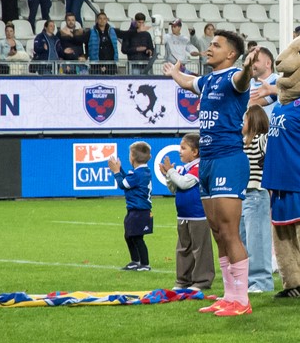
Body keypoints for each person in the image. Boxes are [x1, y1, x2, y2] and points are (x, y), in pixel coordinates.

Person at [164, 29, 255, 316]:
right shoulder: (209, 80)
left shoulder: (233, 77)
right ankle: (229, 295)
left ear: (231, 54)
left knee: (230, 231)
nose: (209, 48)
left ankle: (242, 300)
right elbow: (188, 81)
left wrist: (249, 68)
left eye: (216, 45)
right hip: (208, 161)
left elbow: (242, 80)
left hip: (228, 158)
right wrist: (173, 73)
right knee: (217, 232)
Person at [160, 133, 215, 290]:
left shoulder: (200, 167)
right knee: (183, 249)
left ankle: (202, 281)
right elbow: (173, 189)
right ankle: (183, 280)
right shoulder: (184, 169)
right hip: (183, 216)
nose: (180, 151)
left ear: (195, 152)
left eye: (183, 148)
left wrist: (171, 172)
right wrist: (168, 175)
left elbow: (184, 184)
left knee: (200, 249)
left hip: (199, 216)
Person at [241, 102, 274, 293]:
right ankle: (247, 280)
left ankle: (261, 281)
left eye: (245, 120)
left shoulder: (263, 138)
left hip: (257, 194)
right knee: (244, 240)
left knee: (257, 239)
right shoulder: (243, 141)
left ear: (252, 120)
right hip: (243, 195)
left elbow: (274, 155)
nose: (242, 123)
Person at [108, 141, 154, 272]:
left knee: (137, 237)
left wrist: (116, 172)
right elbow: (127, 181)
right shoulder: (142, 172)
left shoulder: (138, 174)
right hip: (135, 210)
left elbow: (123, 185)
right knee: (129, 235)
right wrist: (120, 170)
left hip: (139, 211)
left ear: (132, 157)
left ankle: (144, 264)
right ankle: (135, 261)